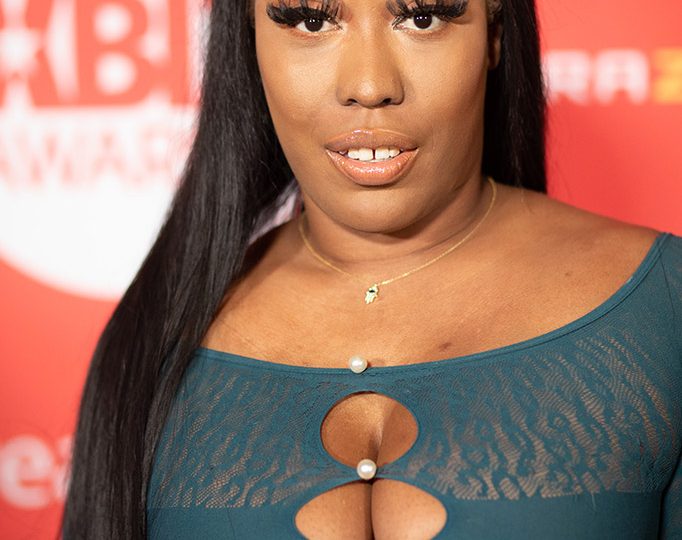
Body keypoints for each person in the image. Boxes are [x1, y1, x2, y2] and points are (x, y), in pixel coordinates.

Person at [61, 0, 681, 538]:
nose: (368, 84)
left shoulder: (664, 308)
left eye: (421, 17)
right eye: (310, 20)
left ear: (494, 35)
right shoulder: (155, 339)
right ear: (248, 42)